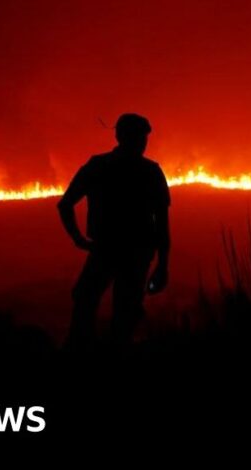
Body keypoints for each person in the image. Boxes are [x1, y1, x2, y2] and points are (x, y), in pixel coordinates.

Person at [58, 113, 170, 349]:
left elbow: (66, 204)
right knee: (122, 308)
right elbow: (162, 223)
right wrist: (162, 265)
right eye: (140, 137)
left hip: (109, 249)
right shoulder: (150, 172)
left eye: (143, 138)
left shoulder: (98, 166)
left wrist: (78, 238)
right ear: (124, 137)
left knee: (87, 298)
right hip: (135, 251)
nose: (142, 143)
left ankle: (82, 350)